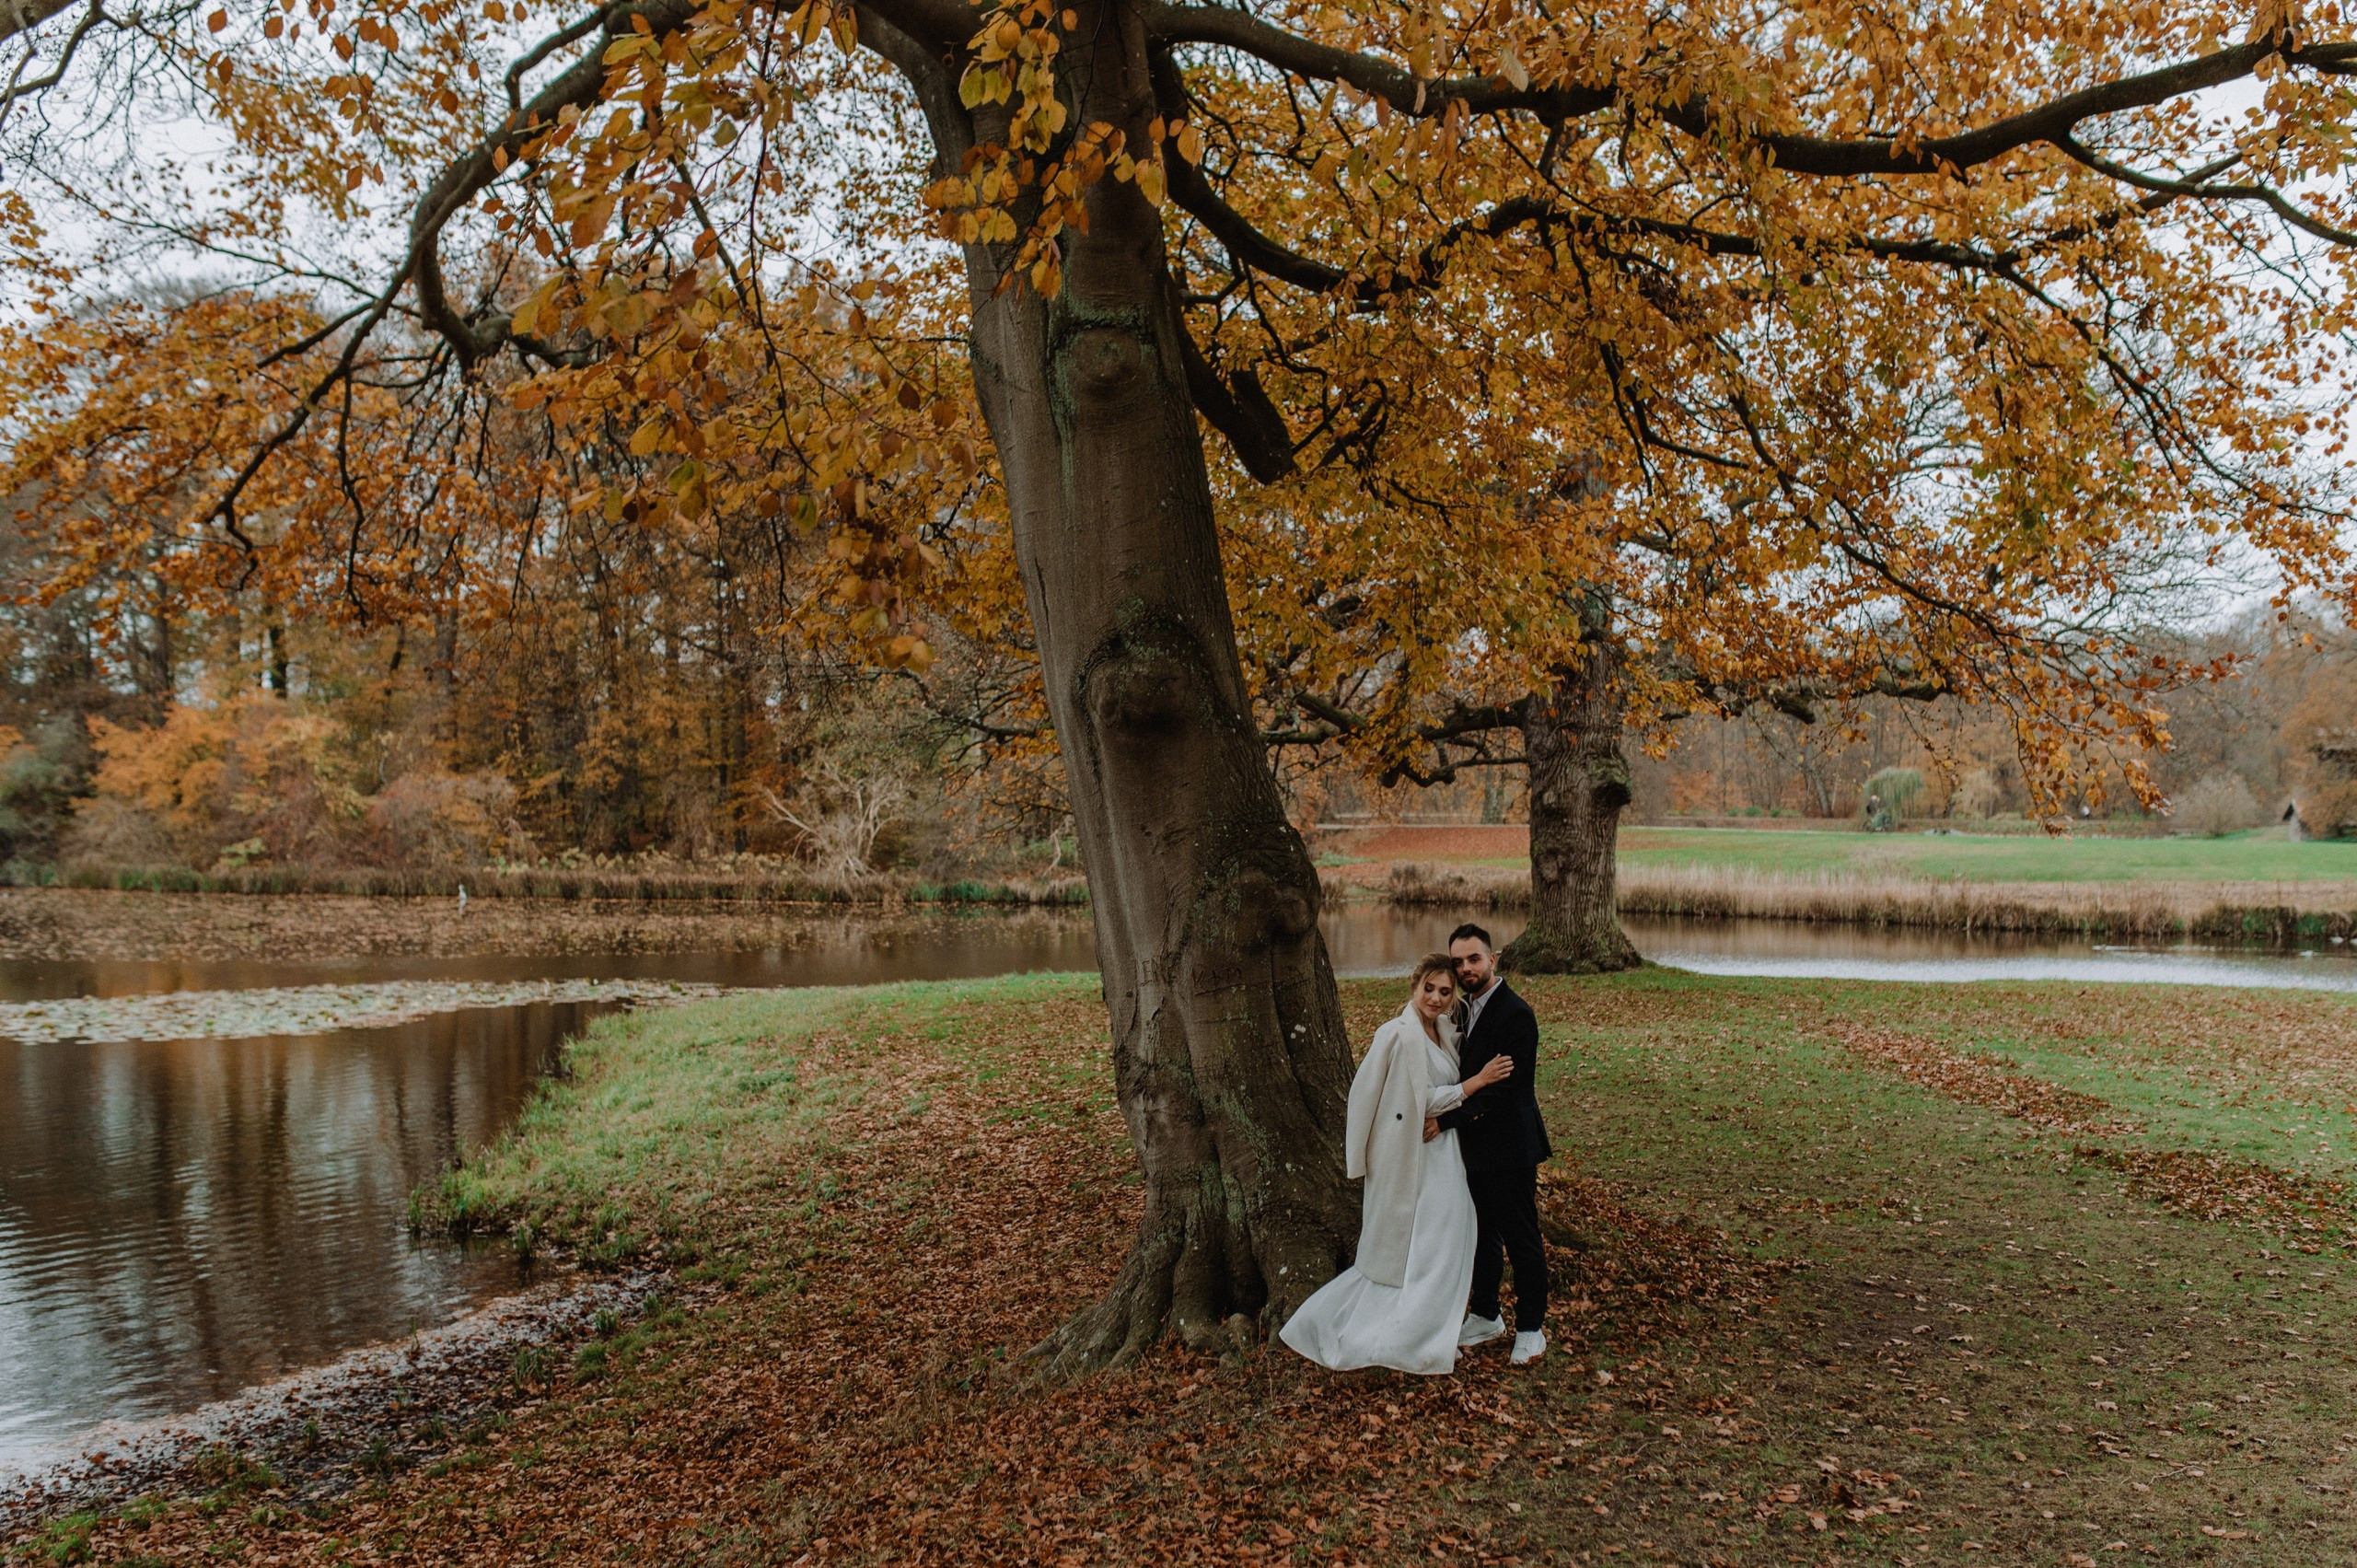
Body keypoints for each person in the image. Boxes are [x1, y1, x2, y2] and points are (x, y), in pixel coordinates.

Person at [1280, 955, 1514, 1375]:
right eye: (1430, 988)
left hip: (1445, 1150)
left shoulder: (1446, 1033)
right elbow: (1418, 1099)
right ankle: (1407, 1333)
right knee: (1427, 1245)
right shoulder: (1396, 1034)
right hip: (1413, 1155)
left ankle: (1429, 1329)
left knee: (1449, 1240)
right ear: (1415, 985)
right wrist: (1477, 1082)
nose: (1437, 998)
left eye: (1445, 991)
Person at [1433, 923, 1553, 1365]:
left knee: (1521, 1237)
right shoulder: (1461, 1011)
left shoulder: (1515, 1014)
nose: (1465, 968)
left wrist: (1445, 1120)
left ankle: (1531, 1329)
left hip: (1510, 1145)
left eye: (1473, 959)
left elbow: (1506, 1090)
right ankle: (1485, 1314)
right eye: (1459, 961)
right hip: (1474, 1147)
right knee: (1481, 1233)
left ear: (1492, 959)